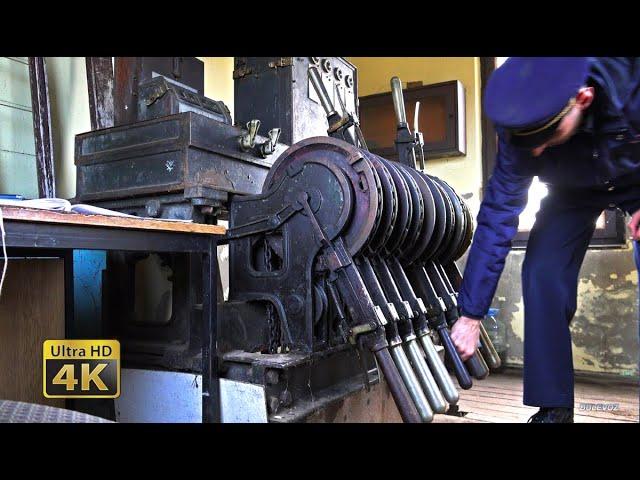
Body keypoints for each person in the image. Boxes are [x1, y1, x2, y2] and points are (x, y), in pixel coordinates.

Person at [450, 57, 640, 423]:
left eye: (546, 139)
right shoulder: (521, 129)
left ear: (583, 98)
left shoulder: (629, 81)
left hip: (635, 178)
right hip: (571, 192)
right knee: (541, 270)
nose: (535, 152)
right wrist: (471, 314)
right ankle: (554, 407)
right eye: (529, 145)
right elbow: (497, 217)